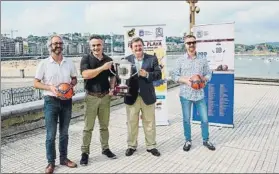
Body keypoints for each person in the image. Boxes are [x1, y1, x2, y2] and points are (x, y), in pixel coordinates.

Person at [34, 35, 78, 174]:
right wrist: (50, 87)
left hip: (66, 101)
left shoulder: (69, 62)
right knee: (50, 135)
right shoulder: (44, 64)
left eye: (60, 43)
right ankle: (50, 163)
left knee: (64, 133)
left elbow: (74, 79)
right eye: (55, 43)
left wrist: (70, 87)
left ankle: (64, 159)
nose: (58, 45)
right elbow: (35, 83)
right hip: (51, 102)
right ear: (50, 46)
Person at [171, 34, 216, 152]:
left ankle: (206, 140)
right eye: (189, 43)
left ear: (196, 44)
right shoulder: (180, 60)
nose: (191, 45)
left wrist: (204, 79)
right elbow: (174, 76)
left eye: (193, 42)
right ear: (185, 45)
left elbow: (209, 74)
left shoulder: (202, 59)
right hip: (185, 94)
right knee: (186, 119)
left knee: (205, 119)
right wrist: (187, 80)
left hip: (199, 94)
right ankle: (188, 140)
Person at [79, 35, 117, 166]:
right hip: (91, 97)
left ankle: (105, 149)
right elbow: (85, 74)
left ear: (103, 45)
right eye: (93, 45)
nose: (96, 47)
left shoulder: (109, 60)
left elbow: (112, 77)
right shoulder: (86, 59)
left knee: (104, 126)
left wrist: (112, 88)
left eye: (98, 45)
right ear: (90, 47)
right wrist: (102, 68)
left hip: (105, 97)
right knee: (88, 128)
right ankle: (85, 153)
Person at [124, 37, 162, 157]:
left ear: (143, 46)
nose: (138, 48)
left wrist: (147, 74)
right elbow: (122, 77)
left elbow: (158, 75)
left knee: (149, 122)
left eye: (140, 45)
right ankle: (131, 146)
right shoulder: (126, 60)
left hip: (147, 96)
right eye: (135, 46)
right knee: (131, 123)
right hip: (131, 96)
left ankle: (151, 146)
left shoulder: (152, 58)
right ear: (131, 48)